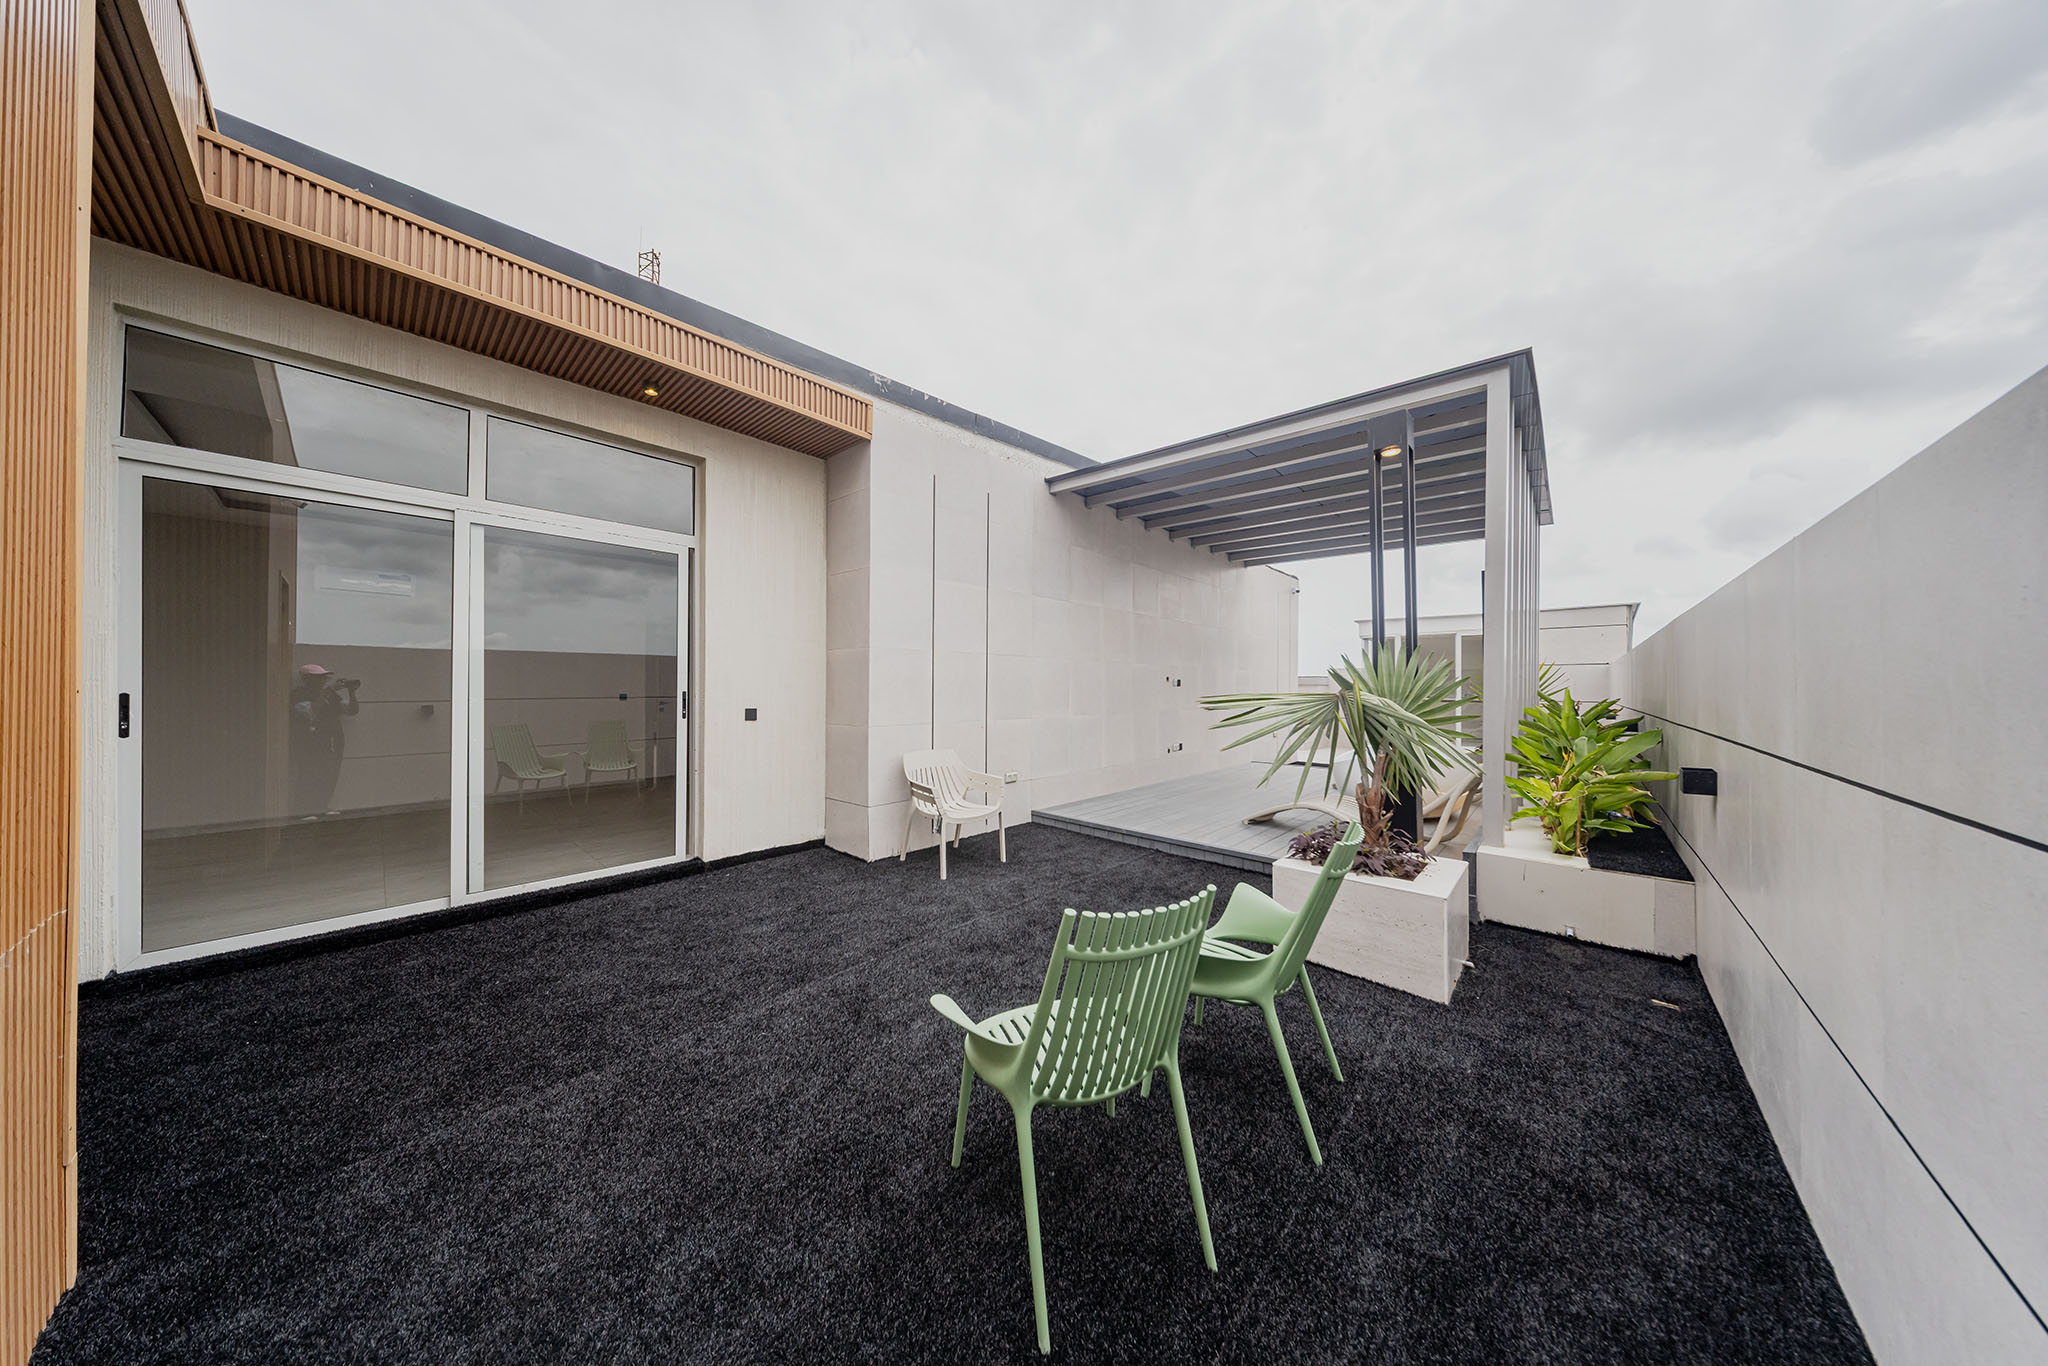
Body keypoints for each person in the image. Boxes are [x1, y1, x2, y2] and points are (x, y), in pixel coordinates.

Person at [289, 664, 361, 819]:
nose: (323, 680)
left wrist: (352, 692)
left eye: (324, 677)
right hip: (311, 743)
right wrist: (329, 690)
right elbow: (309, 713)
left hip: (333, 742)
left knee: (329, 775)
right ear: (307, 679)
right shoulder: (299, 694)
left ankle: (321, 806)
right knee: (309, 774)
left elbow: (351, 710)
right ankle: (303, 810)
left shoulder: (331, 695)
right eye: (318, 677)